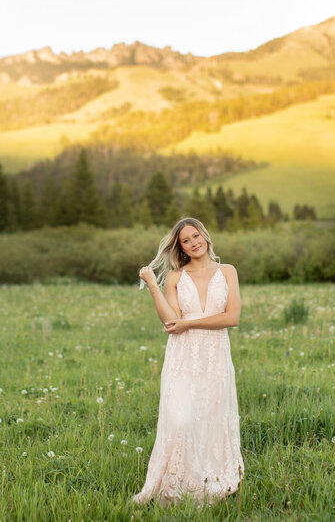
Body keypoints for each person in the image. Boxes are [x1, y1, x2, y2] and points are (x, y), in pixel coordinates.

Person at [133, 217, 244, 506]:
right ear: (180, 247)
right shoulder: (175, 277)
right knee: (181, 418)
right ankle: (174, 483)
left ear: (205, 237)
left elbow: (231, 317)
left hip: (215, 355)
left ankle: (207, 479)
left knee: (209, 418)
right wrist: (152, 285)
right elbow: (171, 320)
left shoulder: (228, 271)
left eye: (196, 236)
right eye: (186, 240)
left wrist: (190, 324)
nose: (193, 243)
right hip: (182, 355)